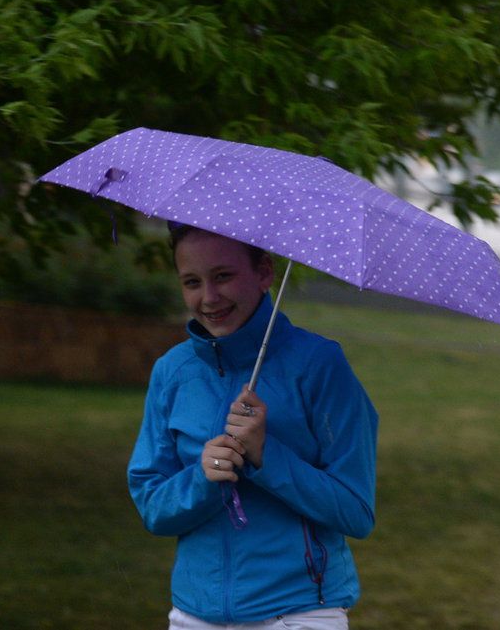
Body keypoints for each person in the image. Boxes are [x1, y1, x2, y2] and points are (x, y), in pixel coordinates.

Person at [128, 223, 378, 630]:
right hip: (193, 615)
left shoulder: (320, 366)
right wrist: (203, 479)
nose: (208, 298)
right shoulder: (172, 371)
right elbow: (154, 508)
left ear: (264, 272)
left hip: (298, 613)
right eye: (192, 281)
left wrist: (266, 457)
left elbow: (356, 511)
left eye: (223, 276)